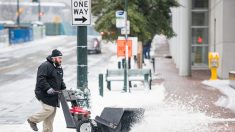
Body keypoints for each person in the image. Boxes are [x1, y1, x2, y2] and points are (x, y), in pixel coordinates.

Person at [27, 49, 66, 132]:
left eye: (61, 58)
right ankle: (32, 120)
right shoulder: (45, 66)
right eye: (59, 58)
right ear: (54, 58)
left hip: (53, 94)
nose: (61, 60)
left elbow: (60, 80)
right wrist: (48, 88)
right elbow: (41, 79)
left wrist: (64, 88)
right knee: (49, 109)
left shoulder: (58, 67)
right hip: (43, 93)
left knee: (50, 116)